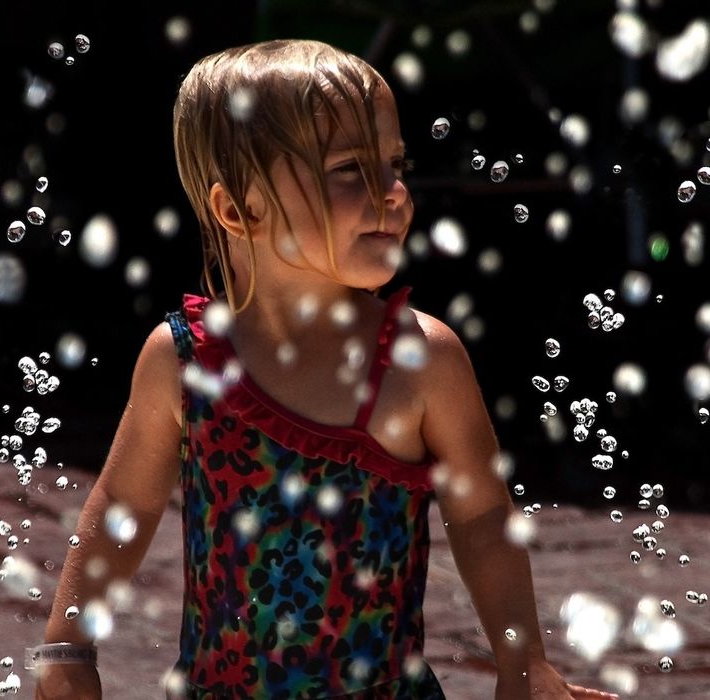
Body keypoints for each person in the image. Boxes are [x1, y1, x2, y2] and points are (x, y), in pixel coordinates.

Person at [32, 39, 620, 700]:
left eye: (395, 164)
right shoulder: (185, 361)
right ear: (238, 209)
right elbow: (121, 507)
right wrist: (66, 648)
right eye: (350, 169)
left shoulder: (419, 360)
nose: (393, 192)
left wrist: (522, 662)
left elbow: (483, 518)